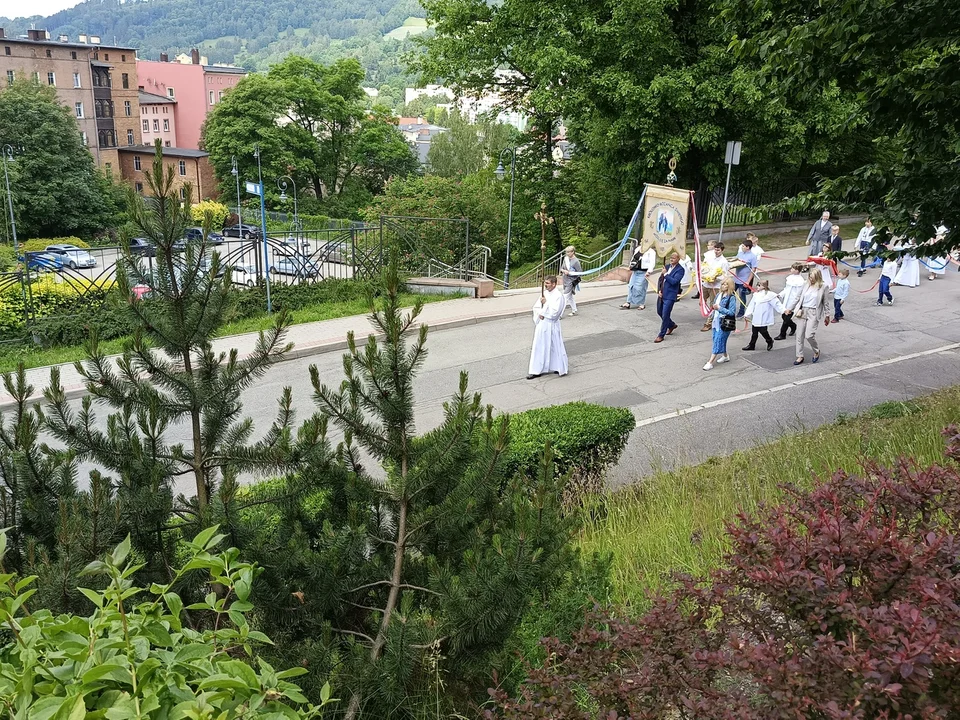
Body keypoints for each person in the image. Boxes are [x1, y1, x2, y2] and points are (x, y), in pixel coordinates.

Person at [527, 275, 568, 379]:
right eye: (545, 283)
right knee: (539, 346)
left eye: (547, 283)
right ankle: (536, 370)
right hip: (543, 323)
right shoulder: (544, 293)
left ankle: (558, 366)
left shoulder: (558, 296)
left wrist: (546, 305)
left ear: (554, 284)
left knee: (555, 346)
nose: (545, 285)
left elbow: (556, 312)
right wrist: (540, 313)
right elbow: (536, 307)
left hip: (552, 323)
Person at [790, 267, 830, 366]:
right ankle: (800, 356)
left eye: (812, 278)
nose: (810, 279)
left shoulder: (823, 286)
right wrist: (790, 308)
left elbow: (825, 302)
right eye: (809, 277)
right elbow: (798, 297)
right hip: (803, 311)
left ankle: (816, 351)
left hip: (813, 312)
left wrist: (827, 315)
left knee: (809, 335)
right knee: (799, 335)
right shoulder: (805, 284)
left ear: (817, 278)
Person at [703, 278, 737, 370]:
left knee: (718, 340)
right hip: (716, 320)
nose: (723, 286)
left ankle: (710, 362)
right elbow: (714, 306)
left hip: (724, 322)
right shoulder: (719, 295)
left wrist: (719, 308)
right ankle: (725, 356)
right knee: (717, 339)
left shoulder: (731, 297)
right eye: (722, 284)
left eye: (726, 284)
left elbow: (732, 312)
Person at [742, 280, 784, 351]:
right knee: (754, 332)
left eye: (759, 285)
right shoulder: (756, 295)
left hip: (764, 316)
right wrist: (747, 313)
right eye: (757, 285)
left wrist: (783, 310)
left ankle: (769, 340)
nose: (757, 287)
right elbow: (752, 305)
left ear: (764, 287)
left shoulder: (769, 295)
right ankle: (752, 345)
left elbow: (776, 304)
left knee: (763, 331)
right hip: (756, 316)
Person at [654, 252, 684, 343]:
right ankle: (671, 325)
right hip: (662, 294)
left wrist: (666, 274)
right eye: (671, 257)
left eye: (674, 258)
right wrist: (659, 290)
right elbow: (660, 280)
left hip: (670, 295)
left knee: (665, 314)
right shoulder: (666, 267)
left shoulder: (680, 270)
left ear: (678, 259)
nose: (671, 259)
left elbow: (675, 282)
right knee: (659, 311)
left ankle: (661, 335)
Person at [700, 241, 729, 331]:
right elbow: (704, 267)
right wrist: (703, 274)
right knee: (701, 301)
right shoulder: (710, 257)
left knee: (713, 304)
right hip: (706, 283)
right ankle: (709, 313)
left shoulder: (724, 262)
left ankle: (709, 323)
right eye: (715, 250)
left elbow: (724, 276)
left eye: (718, 250)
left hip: (715, 286)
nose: (716, 252)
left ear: (722, 251)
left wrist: (715, 277)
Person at [774, 262, 806, 340]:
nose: (791, 270)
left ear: (797, 270)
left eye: (793, 268)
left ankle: (782, 334)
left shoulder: (800, 281)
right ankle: (793, 326)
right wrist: (780, 295)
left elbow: (797, 295)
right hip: (787, 299)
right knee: (784, 316)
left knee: (786, 318)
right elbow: (786, 289)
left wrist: (792, 306)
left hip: (793, 301)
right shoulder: (790, 278)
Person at [622, 243, 657, 309]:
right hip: (635, 271)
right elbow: (633, 258)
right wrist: (630, 266)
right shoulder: (638, 249)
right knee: (631, 286)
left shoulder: (651, 252)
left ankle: (641, 303)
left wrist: (649, 271)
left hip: (643, 271)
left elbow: (652, 262)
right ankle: (628, 302)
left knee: (640, 288)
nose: (642, 242)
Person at [732, 239, 758, 318]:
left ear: (748, 247)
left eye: (743, 246)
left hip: (744, 280)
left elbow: (753, 269)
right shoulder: (740, 253)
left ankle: (741, 311)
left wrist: (748, 281)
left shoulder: (752, 256)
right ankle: (731, 309)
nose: (742, 247)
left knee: (741, 296)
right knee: (731, 294)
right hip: (736, 278)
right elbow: (736, 261)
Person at [559, 245, 582, 316]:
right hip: (565, 280)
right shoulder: (566, 259)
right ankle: (574, 310)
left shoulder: (576, 261)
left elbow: (579, 272)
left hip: (571, 281)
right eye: (566, 252)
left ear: (573, 252)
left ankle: (559, 315)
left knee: (564, 297)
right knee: (570, 297)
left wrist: (570, 273)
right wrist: (564, 271)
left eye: (569, 252)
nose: (567, 253)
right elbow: (561, 268)